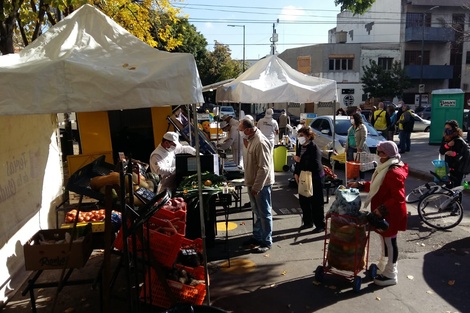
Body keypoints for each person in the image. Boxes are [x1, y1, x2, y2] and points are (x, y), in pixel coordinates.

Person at [348, 141, 408, 286]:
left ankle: (391, 273)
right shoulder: (385, 168)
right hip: (383, 212)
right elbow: (378, 186)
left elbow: (398, 198)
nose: (377, 155)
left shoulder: (393, 172)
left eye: (380, 152)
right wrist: (361, 184)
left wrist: (381, 209)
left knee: (390, 242)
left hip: (390, 214)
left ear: (387, 154)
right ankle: (383, 264)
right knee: (384, 240)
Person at [239, 118, 275, 253]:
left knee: (264, 213)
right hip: (253, 182)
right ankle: (258, 236)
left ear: (248, 130)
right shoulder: (251, 140)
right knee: (258, 212)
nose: (240, 132)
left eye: (241, 130)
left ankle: (266, 241)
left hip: (261, 184)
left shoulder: (260, 142)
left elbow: (264, 168)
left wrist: (257, 186)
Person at [293, 127, 325, 233]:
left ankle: (320, 224)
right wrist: (296, 173)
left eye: (302, 135)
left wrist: (300, 160)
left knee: (316, 202)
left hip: (315, 177)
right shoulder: (300, 146)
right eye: (299, 135)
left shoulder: (314, 148)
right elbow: (297, 163)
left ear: (308, 136)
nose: (300, 138)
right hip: (303, 176)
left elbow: (315, 164)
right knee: (303, 200)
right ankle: (308, 222)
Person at [439, 120, 466, 187]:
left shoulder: (458, 140)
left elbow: (463, 155)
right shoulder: (445, 138)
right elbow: (441, 151)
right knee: (449, 187)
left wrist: (454, 154)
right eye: (445, 128)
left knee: (457, 187)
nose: (446, 130)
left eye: (448, 128)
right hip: (448, 166)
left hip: (458, 168)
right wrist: (447, 145)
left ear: (454, 129)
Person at [344, 113, 368, 179]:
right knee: (352, 164)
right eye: (350, 118)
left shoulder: (362, 127)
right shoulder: (351, 128)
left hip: (359, 148)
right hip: (351, 148)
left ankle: (362, 178)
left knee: (360, 165)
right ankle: (353, 178)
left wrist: (359, 147)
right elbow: (348, 138)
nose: (351, 120)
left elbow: (364, 138)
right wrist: (346, 148)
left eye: (352, 118)